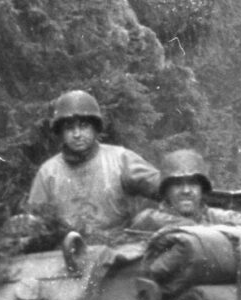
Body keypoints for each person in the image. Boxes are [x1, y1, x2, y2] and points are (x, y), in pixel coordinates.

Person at [13, 89, 161, 246]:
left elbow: (165, 188)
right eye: (69, 128)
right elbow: (34, 223)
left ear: (95, 128)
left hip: (119, 250)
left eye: (83, 126)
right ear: (61, 133)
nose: (77, 134)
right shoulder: (48, 172)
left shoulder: (120, 160)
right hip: (66, 254)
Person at [129, 148, 241, 231]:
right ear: (166, 191)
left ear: (202, 189)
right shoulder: (148, 220)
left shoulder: (214, 217)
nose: (186, 190)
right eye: (177, 184)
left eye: (193, 183)